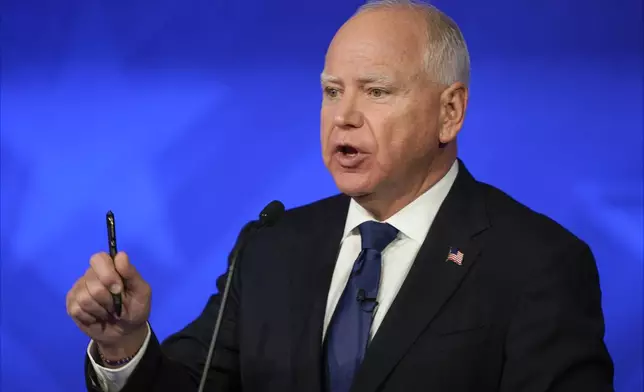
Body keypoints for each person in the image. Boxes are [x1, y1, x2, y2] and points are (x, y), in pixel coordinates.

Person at [66, 1, 615, 391]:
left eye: (376, 92)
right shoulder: (270, 249)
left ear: (450, 112)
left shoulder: (537, 262)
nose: (344, 117)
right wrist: (126, 344)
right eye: (332, 92)